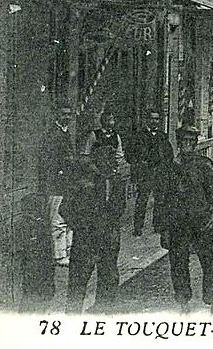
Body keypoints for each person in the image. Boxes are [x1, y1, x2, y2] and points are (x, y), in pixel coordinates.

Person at [63, 111, 129, 313]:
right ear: (96, 162)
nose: (110, 165)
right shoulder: (84, 185)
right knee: (77, 287)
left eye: (112, 161)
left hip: (109, 242)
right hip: (86, 241)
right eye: (105, 161)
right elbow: (65, 209)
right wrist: (84, 229)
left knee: (109, 284)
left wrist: (113, 228)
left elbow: (120, 207)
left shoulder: (117, 183)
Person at [159, 125, 213, 313]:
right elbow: (162, 197)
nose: (187, 145)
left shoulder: (204, 165)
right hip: (178, 223)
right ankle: (183, 302)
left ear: (195, 144)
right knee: (178, 263)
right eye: (183, 142)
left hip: (202, 221)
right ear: (178, 144)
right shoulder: (170, 167)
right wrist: (164, 228)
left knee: (210, 262)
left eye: (190, 142)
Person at [38, 103, 75, 266]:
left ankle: (66, 251)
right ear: (56, 115)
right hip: (55, 184)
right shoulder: (52, 134)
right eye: (63, 114)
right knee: (57, 219)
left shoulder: (65, 133)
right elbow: (48, 163)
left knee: (67, 217)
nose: (66, 117)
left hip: (66, 183)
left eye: (69, 114)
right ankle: (59, 255)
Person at [125, 110, 174, 235]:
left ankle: (157, 225)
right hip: (145, 173)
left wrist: (166, 166)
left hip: (159, 172)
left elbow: (169, 154)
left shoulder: (162, 136)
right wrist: (139, 163)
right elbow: (129, 155)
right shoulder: (138, 136)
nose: (154, 121)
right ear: (146, 120)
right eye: (152, 118)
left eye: (157, 119)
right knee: (142, 200)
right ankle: (138, 227)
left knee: (160, 199)